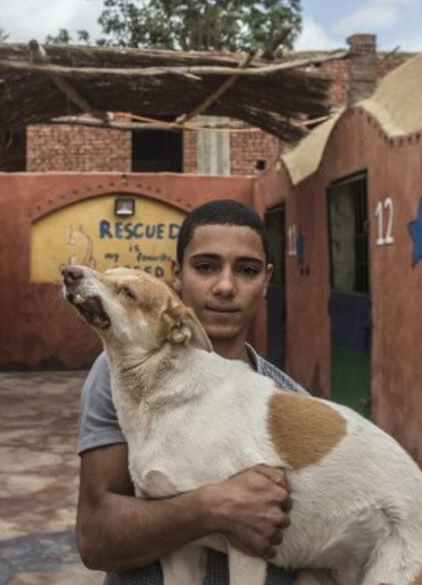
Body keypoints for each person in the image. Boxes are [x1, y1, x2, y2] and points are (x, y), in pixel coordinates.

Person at [75, 199, 306, 584]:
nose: (226, 286)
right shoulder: (127, 377)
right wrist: (212, 507)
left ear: (266, 280)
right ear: (176, 275)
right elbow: (95, 539)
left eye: (246, 271)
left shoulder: (290, 402)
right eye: (206, 266)